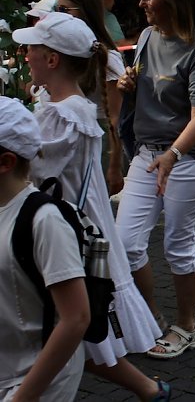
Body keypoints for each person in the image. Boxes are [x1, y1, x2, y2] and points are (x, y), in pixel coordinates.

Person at [14, 13, 170, 400]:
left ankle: (149, 389)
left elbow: (34, 170)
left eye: (32, 49)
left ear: (52, 60)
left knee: (70, 326)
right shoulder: (62, 105)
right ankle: (149, 390)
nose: (26, 55)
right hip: (61, 225)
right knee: (71, 330)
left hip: (60, 232)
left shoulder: (64, 114)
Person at [115, 0, 195, 359]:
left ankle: (187, 327)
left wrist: (173, 155)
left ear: (172, 1)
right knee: (125, 245)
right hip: (148, 154)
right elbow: (144, 87)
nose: (141, 2)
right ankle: (151, 317)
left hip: (190, 159)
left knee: (178, 246)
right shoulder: (146, 37)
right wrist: (129, 84)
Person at [0, 97, 90, 402]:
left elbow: (76, 318)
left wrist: (23, 397)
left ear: (5, 162)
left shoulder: (45, 220)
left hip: (35, 381)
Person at [55, 0, 126, 196]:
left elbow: (114, 117)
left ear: (85, 11)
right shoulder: (62, 51)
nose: (58, 15)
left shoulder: (108, 58)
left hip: (96, 137)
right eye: (56, 9)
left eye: (64, 9)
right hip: (65, 136)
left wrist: (115, 164)